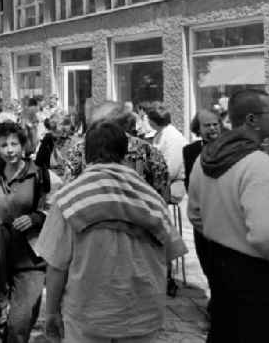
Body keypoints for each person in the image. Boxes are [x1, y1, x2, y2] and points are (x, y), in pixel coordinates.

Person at [38, 121, 187, 343]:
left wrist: (51, 313)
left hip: (87, 318)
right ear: (124, 154)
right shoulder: (151, 198)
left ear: (86, 155)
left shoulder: (69, 199)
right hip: (142, 317)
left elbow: (56, 267)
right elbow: (168, 254)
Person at [188, 89, 269, 343]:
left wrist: (222, 232)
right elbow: (268, 235)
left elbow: (195, 214)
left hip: (218, 264)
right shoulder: (258, 164)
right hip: (257, 275)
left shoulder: (204, 158)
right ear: (252, 119)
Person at [0, 122, 49, 343]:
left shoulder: (39, 174)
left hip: (30, 257)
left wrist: (34, 218)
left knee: (20, 321)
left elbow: (52, 209)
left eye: (14, 144)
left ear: (23, 145)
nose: (10, 150)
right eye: (3, 145)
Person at [64, 101, 169, 200]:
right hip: (139, 214)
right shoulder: (148, 150)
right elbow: (163, 193)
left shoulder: (79, 149)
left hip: (89, 213)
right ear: (127, 123)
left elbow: (68, 189)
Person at [148, 103, 187, 203]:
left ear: (152, 121)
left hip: (175, 184)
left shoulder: (172, 137)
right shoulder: (160, 134)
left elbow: (171, 171)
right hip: (163, 181)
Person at [182, 109, 222, 189]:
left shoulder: (230, 146)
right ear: (198, 129)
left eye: (215, 124)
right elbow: (189, 181)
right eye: (207, 125)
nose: (212, 128)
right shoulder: (190, 150)